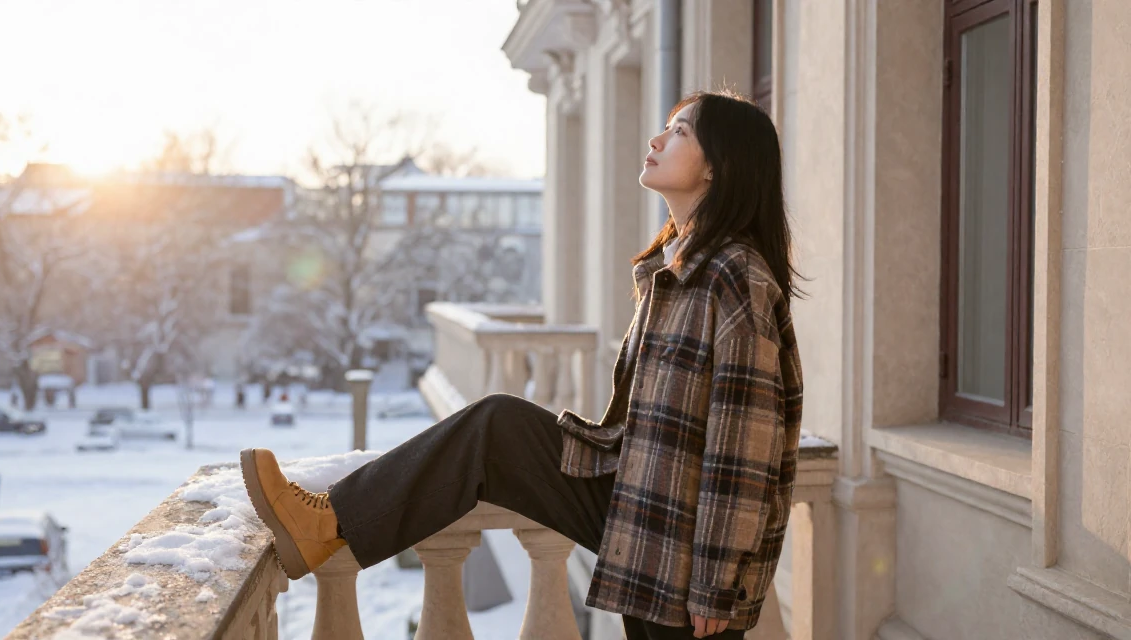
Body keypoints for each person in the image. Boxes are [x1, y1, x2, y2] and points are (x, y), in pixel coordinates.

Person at [240, 91, 803, 640]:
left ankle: (327, 525)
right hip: (642, 511)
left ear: (717, 166)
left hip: (689, 553)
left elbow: (743, 450)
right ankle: (327, 525)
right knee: (495, 425)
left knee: (497, 425)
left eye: (679, 132)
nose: (656, 140)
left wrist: (715, 582)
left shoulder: (735, 278)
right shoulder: (677, 270)